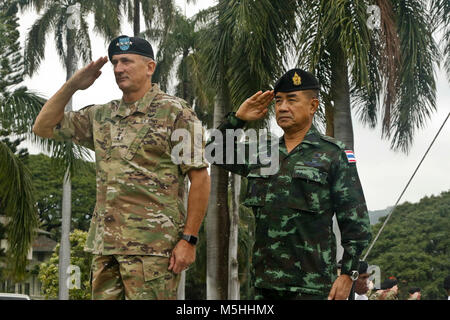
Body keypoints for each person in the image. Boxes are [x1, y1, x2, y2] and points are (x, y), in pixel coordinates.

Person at [32, 35, 210, 300]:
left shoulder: (175, 113)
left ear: (150, 67)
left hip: (152, 249)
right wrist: (72, 86)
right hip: (106, 247)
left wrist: (189, 239)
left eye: (126, 61)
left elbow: (200, 178)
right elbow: (42, 127)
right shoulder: (102, 116)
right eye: (115, 62)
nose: (118, 69)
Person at [207, 68, 371, 300]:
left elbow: (357, 224)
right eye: (278, 101)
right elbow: (214, 152)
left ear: (313, 106)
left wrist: (347, 274)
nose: (283, 107)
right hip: (266, 286)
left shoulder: (333, 154)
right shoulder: (263, 152)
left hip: (313, 287)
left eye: (292, 100)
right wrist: (238, 119)